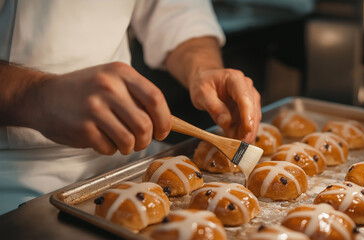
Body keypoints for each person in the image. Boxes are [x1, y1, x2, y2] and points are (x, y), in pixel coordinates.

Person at [0, 0, 261, 214]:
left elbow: (176, 11)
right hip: (14, 179)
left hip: (130, 161)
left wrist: (204, 68)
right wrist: (32, 94)